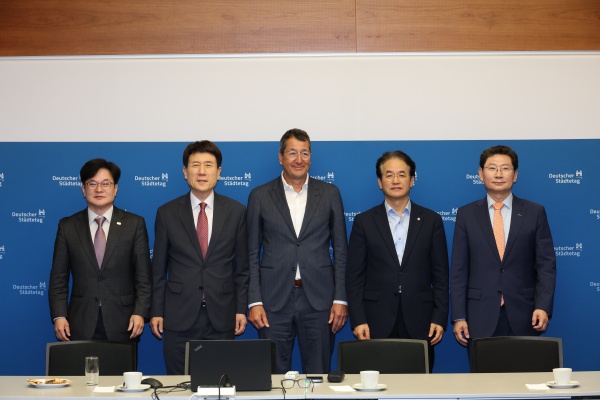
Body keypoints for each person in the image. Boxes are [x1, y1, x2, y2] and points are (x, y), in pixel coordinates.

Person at [247, 128, 348, 374]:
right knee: (273, 377)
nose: (299, 159)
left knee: (318, 375)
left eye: (305, 153)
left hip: (320, 301)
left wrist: (340, 298)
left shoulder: (330, 194)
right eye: (292, 153)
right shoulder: (260, 196)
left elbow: (341, 250)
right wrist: (255, 301)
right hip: (272, 301)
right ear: (280, 157)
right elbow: (250, 253)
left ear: (310, 158)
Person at [150, 140, 249, 375]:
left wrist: (240, 309)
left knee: (220, 384)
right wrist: (156, 311)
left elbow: (242, 268)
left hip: (222, 314)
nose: (202, 171)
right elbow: (158, 269)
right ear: (185, 172)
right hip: (178, 315)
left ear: (219, 172)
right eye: (195, 165)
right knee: (178, 385)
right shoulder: (167, 213)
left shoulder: (236, 212)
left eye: (208, 165)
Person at [346, 151, 449, 371]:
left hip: (421, 320)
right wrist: (358, 319)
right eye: (389, 175)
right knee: (376, 383)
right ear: (379, 182)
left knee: (419, 383)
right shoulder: (364, 222)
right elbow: (354, 277)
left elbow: (441, 276)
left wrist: (439, 317)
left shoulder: (431, 221)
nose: (395, 180)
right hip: (375, 320)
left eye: (402, 174)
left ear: (412, 180)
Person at [451, 145, 556, 348]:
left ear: (515, 175)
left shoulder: (534, 212)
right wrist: (459, 316)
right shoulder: (466, 214)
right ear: (481, 174)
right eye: (492, 168)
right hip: (478, 316)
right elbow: (459, 269)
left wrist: (543, 306)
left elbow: (546, 266)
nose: (498, 174)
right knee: (483, 370)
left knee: (523, 368)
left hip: (525, 315)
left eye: (505, 168)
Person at [49, 158, 152, 342]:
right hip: (79, 323)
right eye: (92, 184)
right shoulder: (68, 226)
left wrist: (140, 312)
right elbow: (58, 279)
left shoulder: (134, 224)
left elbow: (143, 277)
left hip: (124, 323)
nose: (99, 189)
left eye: (105, 184)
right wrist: (59, 316)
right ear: (83, 189)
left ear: (115, 188)